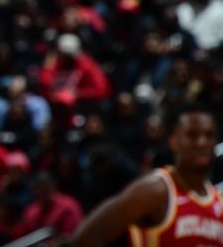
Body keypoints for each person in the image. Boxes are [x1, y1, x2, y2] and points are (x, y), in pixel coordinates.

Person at [71, 103, 222, 246]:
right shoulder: (156, 190)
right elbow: (86, 238)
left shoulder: (219, 203)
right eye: (192, 135)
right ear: (173, 141)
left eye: (209, 135)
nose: (202, 143)